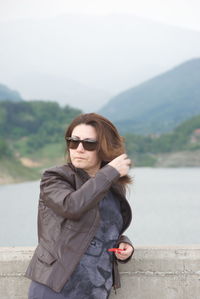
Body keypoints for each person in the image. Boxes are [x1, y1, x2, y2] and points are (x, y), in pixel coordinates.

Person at [26, 113, 134, 299]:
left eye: (89, 144)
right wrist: (109, 173)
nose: (79, 149)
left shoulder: (111, 186)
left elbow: (100, 228)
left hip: (95, 289)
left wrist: (123, 243)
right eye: (73, 142)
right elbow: (72, 207)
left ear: (104, 148)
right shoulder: (55, 178)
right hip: (56, 288)